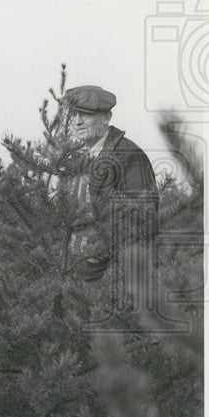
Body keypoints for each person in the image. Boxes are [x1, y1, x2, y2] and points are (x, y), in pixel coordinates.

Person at [61, 85, 158, 301]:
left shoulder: (128, 155)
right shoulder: (75, 157)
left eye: (85, 115)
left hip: (107, 276)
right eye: (74, 114)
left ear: (106, 118)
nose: (77, 121)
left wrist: (98, 260)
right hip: (72, 270)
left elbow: (140, 222)